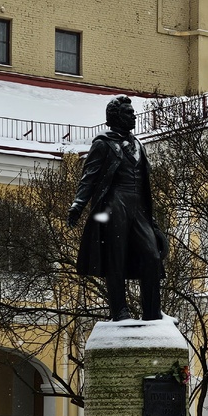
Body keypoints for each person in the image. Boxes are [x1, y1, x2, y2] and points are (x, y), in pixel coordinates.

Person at [67, 96, 167, 321]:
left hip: (139, 205)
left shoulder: (138, 144)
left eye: (133, 112)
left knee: (152, 256)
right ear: (116, 117)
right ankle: (119, 311)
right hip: (115, 203)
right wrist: (78, 205)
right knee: (116, 258)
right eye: (128, 113)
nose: (133, 116)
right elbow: (89, 177)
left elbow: (144, 182)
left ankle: (152, 313)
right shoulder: (103, 143)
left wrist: (153, 220)